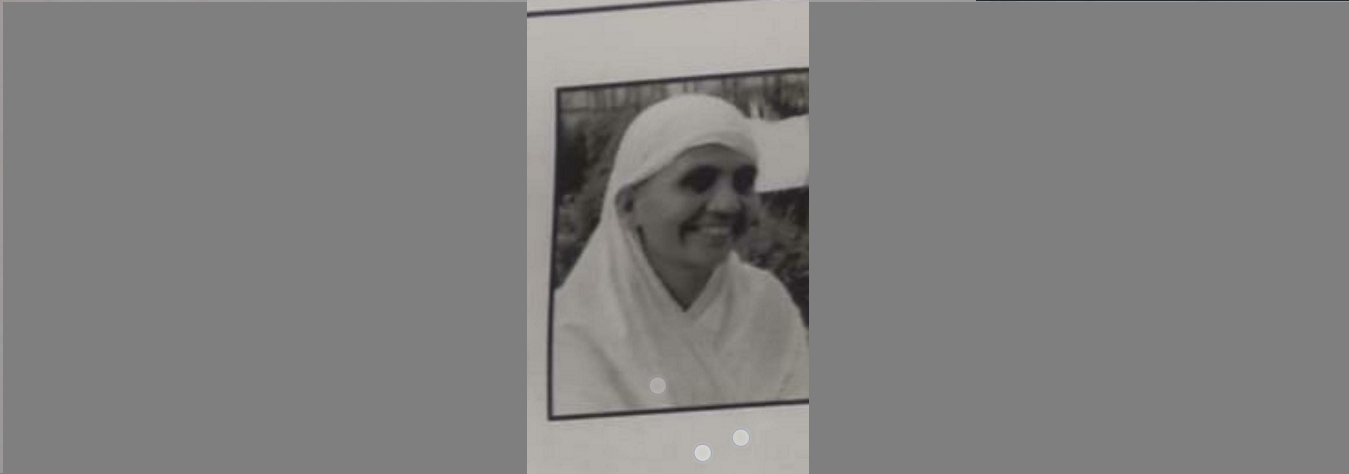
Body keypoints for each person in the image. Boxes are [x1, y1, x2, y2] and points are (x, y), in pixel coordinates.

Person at [553, 94, 809, 416]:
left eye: (744, 182)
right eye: (698, 181)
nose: (728, 204)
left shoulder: (768, 303)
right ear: (629, 206)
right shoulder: (574, 331)